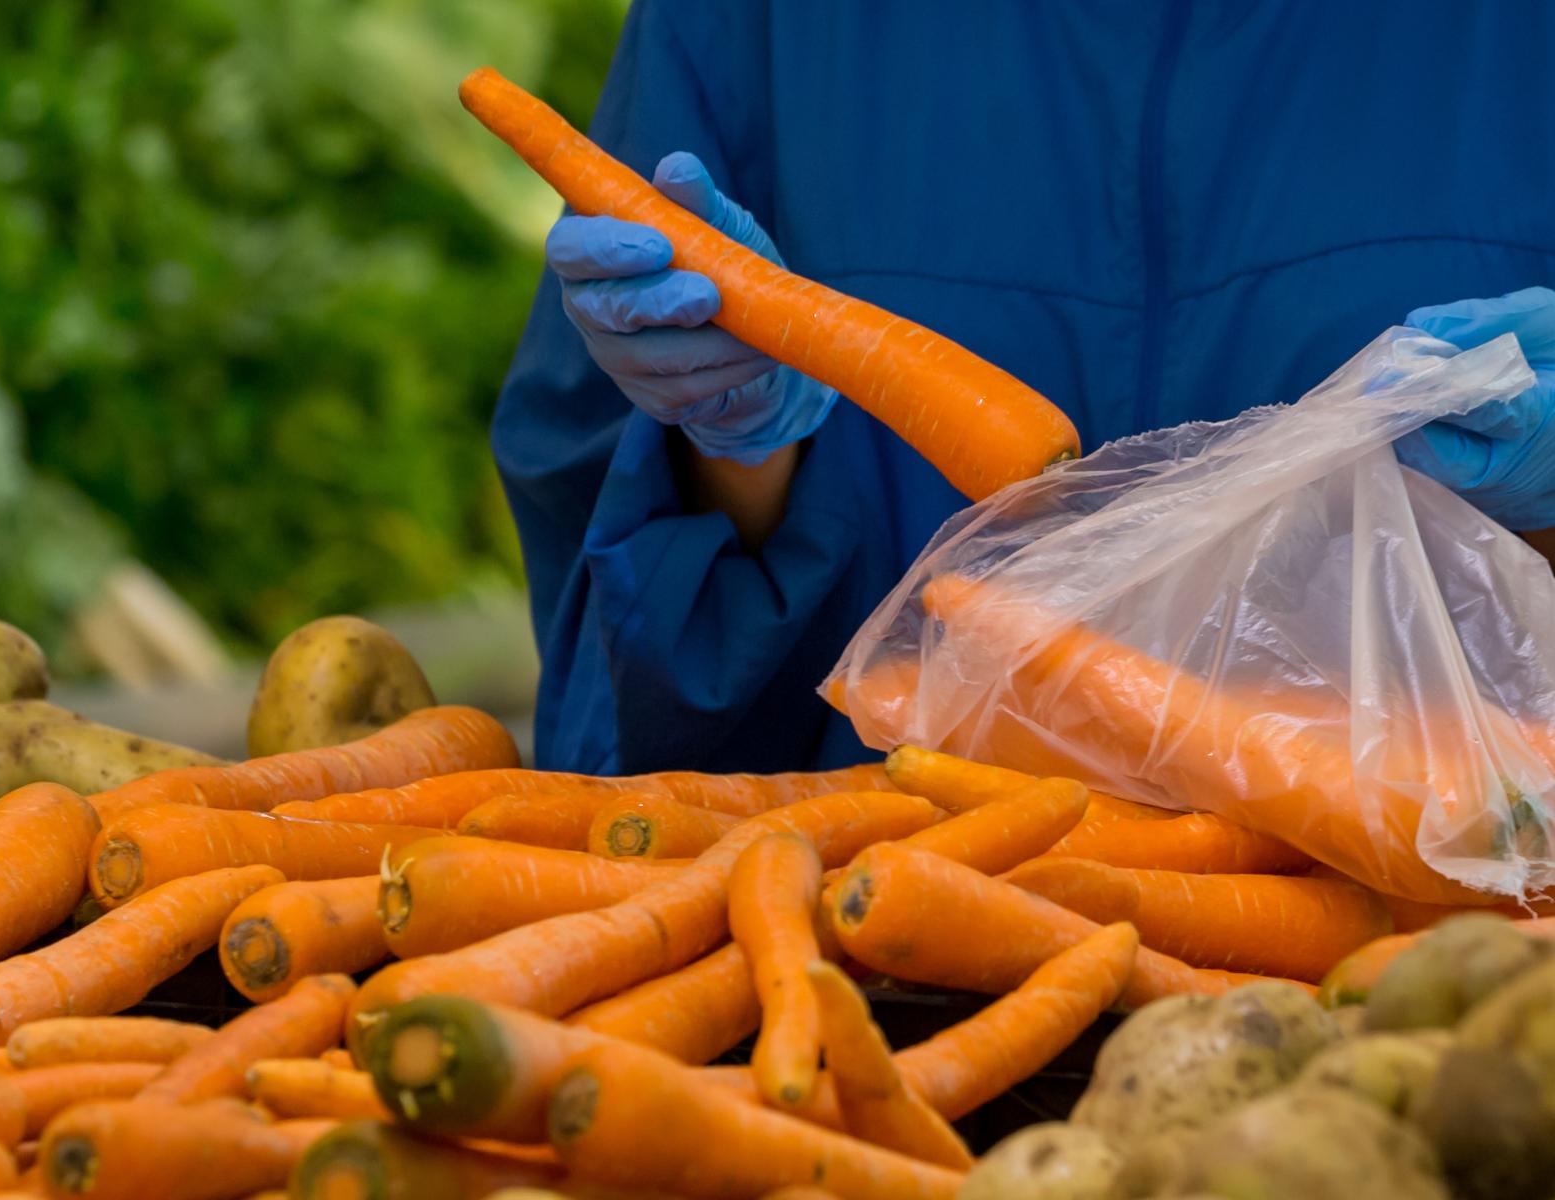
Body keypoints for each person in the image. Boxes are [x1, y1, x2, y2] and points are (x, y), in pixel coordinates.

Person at [493, 1, 1555, 775]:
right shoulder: (760, 27)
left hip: (1446, 950)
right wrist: (730, 445)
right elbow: (612, 603)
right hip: (886, 943)